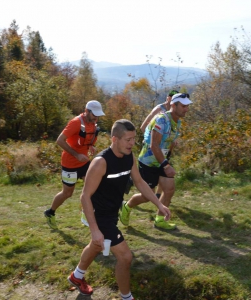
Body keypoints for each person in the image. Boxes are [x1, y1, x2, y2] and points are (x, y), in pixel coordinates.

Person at [67, 119, 171, 299]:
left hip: (112, 211)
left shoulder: (129, 157)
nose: (132, 144)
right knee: (125, 257)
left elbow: (139, 182)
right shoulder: (101, 162)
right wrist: (94, 229)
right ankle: (126, 297)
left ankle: (76, 276)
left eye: (133, 139)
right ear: (114, 139)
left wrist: (159, 204)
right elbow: (84, 196)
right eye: (128, 140)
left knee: (97, 245)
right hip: (99, 215)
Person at [119, 93, 192, 230]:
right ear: (173, 105)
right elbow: (154, 145)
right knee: (147, 196)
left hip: (162, 160)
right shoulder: (161, 120)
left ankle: (159, 220)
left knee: (169, 189)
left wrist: (167, 159)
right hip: (148, 162)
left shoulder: (177, 121)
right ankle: (126, 206)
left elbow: (167, 142)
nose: (186, 109)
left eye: (187, 106)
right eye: (183, 106)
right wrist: (166, 165)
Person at [44, 100, 105, 230]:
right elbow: (60, 140)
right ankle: (50, 212)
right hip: (70, 164)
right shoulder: (76, 123)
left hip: (84, 162)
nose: (96, 118)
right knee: (67, 193)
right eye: (95, 115)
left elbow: (87, 139)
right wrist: (76, 154)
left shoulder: (93, 123)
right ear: (87, 111)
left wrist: (91, 146)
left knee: (92, 187)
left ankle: (86, 213)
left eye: (98, 115)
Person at [137, 90, 178, 198]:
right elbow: (144, 126)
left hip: (164, 150)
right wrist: (150, 139)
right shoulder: (160, 110)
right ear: (168, 98)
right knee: (148, 188)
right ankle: (132, 180)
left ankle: (159, 195)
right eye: (172, 98)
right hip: (151, 149)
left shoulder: (174, 115)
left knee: (164, 172)